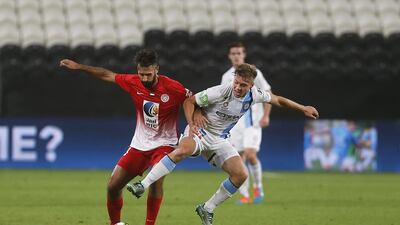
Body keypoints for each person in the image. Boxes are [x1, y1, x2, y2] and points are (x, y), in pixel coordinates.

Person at [127, 63, 319, 225]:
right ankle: (142, 185)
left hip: (219, 139)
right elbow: (189, 101)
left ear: (251, 85)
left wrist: (303, 108)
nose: (237, 87)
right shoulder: (221, 91)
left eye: (243, 85)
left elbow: (278, 99)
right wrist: (193, 123)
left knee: (241, 174)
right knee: (183, 150)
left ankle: (207, 208)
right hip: (200, 131)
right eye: (236, 82)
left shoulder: (255, 95)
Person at [59, 49, 191, 225]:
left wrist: (193, 126)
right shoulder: (133, 82)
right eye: (141, 74)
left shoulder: (173, 88)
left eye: (148, 74)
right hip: (139, 145)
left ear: (156, 69)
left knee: (156, 180)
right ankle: (116, 223)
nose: (144, 78)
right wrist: (79, 67)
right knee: (113, 186)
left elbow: (194, 100)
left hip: (165, 144)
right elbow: (108, 74)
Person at [221, 42, 272, 204]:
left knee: (250, 155)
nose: (236, 56)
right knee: (238, 160)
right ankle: (245, 195)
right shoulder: (226, 76)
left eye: (239, 53)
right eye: (233, 53)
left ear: (244, 55)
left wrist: (266, 115)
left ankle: (258, 187)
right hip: (234, 125)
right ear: (229, 56)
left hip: (253, 122)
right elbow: (222, 100)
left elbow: (268, 93)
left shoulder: (254, 74)